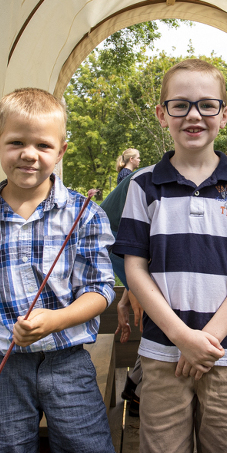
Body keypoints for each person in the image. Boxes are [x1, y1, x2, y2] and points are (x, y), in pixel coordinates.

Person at [112, 58, 227, 453]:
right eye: (180, 104)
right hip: (163, 350)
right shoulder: (144, 185)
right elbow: (135, 268)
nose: (194, 115)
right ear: (162, 113)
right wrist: (183, 338)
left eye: (207, 104)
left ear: (225, 113)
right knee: (164, 449)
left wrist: (208, 339)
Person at [0, 88, 117, 453]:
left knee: (88, 452)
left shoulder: (85, 215)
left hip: (68, 362)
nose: (29, 154)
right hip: (1, 369)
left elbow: (100, 291)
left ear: (61, 151)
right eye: (16, 142)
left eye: (43, 144)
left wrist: (57, 319)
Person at [98, 171, 145, 417]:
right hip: (117, 244)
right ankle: (138, 390)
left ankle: (135, 386)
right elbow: (119, 242)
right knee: (152, 319)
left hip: (132, 253)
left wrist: (126, 298)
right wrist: (133, 288)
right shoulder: (141, 180)